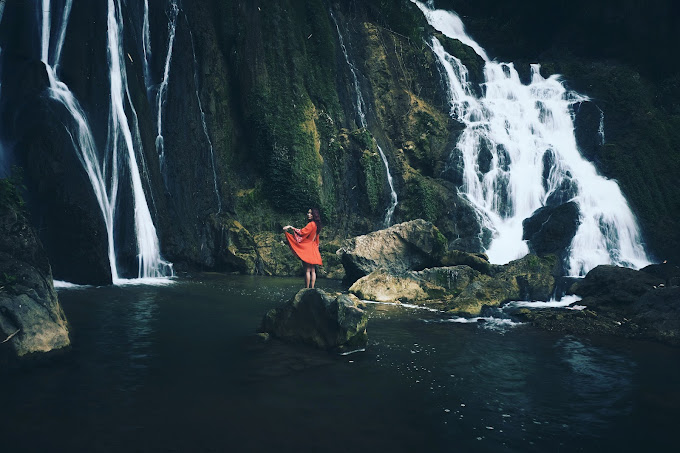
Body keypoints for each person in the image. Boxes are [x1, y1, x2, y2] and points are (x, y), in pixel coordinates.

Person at [283, 208, 323, 288]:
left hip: (307, 247)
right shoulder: (317, 225)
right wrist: (316, 248)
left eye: (310, 213)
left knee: (307, 270)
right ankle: (312, 288)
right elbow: (316, 239)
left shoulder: (311, 224)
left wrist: (291, 227)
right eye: (308, 213)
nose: (308, 214)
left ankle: (307, 288)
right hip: (313, 247)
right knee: (313, 270)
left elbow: (301, 232)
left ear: (314, 215)